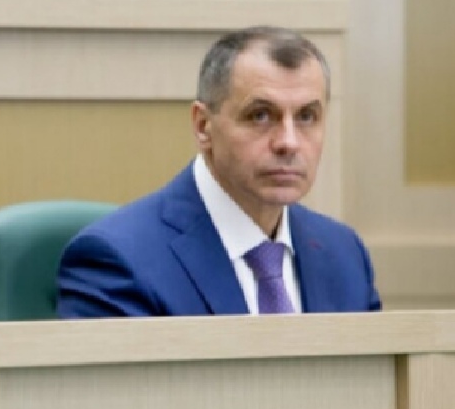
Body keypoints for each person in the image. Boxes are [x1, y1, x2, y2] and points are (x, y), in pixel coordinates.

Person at [57, 26, 381, 318]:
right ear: (203, 126)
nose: (289, 142)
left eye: (307, 117)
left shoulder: (345, 255)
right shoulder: (117, 261)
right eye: (260, 115)